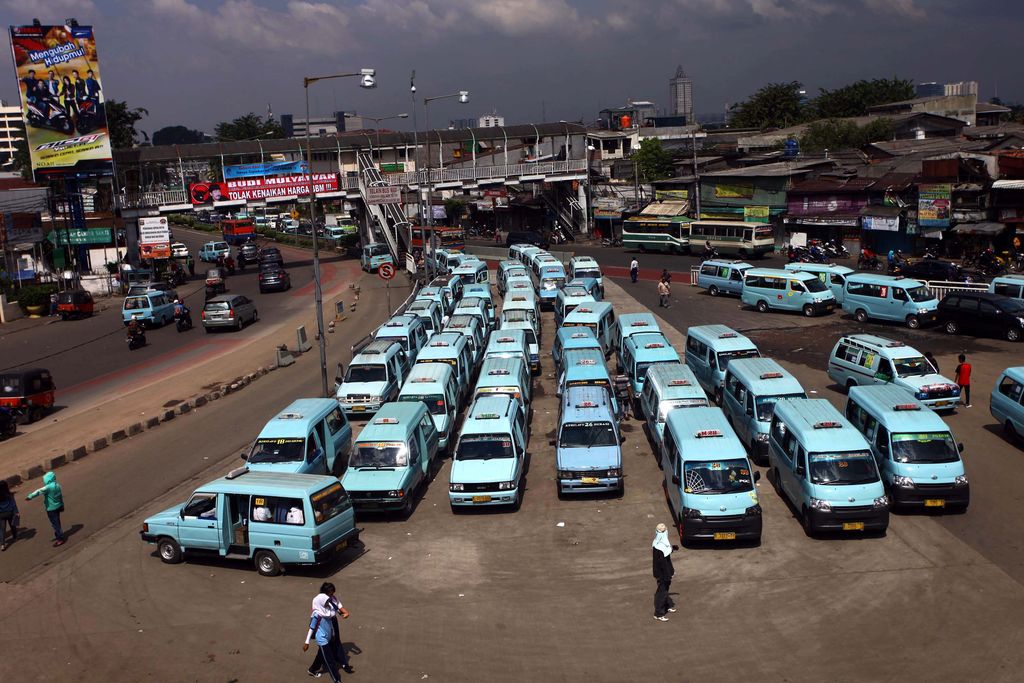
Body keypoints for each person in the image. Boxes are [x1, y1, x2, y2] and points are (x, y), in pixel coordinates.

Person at [305, 583, 353, 680]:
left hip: (329, 633)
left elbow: (336, 610)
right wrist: (307, 642)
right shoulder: (318, 614)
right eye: (330, 595)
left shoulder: (329, 610)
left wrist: (344, 613)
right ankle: (336, 679)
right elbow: (312, 627)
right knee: (329, 659)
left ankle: (313, 669)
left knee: (324, 652)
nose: (330, 600)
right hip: (322, 636)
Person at [25, 471, 65, 547]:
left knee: (55, 524)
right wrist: (62, 505)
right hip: (58, 506)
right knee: (57, 522)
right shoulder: (58, 485)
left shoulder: (48, 487)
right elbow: (60, 497)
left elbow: (38, 491)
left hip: (51, 509)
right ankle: (59, 534)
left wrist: (30, 496)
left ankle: (60, 538)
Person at [652, 523, 676, 621]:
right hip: (663, 574)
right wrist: (668, 575)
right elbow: (664, 564)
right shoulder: (660, 548)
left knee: (664, 590)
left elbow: (667, 550)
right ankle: (658, 613)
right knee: (662, 592)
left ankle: (666, 606)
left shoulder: (657, 543)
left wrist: (673, 549)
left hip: (662, 573)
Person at [0, 480, 19, 551]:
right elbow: (13, 504)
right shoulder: (9, 494)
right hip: (10, 512)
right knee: (12, 525)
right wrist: (16, 512)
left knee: (2, 530)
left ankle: (2, 544)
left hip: (1, 514)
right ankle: (15, 537)